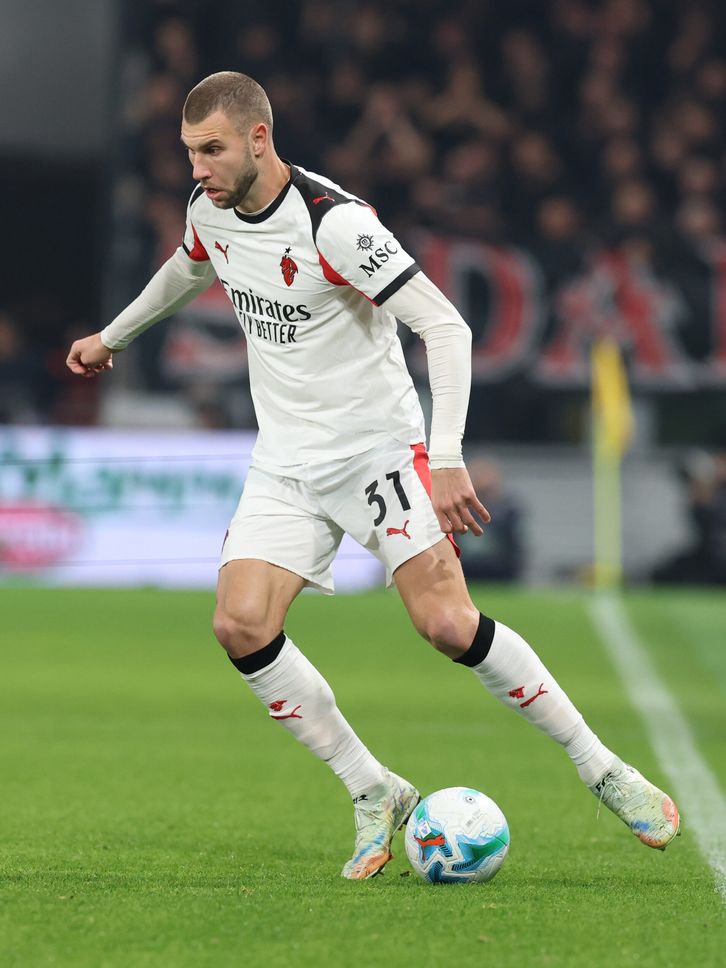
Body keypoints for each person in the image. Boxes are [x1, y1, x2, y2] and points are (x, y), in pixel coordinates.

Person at [66, 72, 680, 880]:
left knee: (447, 626)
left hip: (376, 452)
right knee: (240, 623)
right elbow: (189, 267)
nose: (197, 168)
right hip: (285, 460)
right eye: (189, 152)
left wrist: (448, 454)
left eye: (211, 150)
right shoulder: (208, 211)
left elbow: (445, 326)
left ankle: (602, 767)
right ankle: (374, 788)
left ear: (259, 138)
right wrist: (114, 334)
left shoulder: (336, 225)